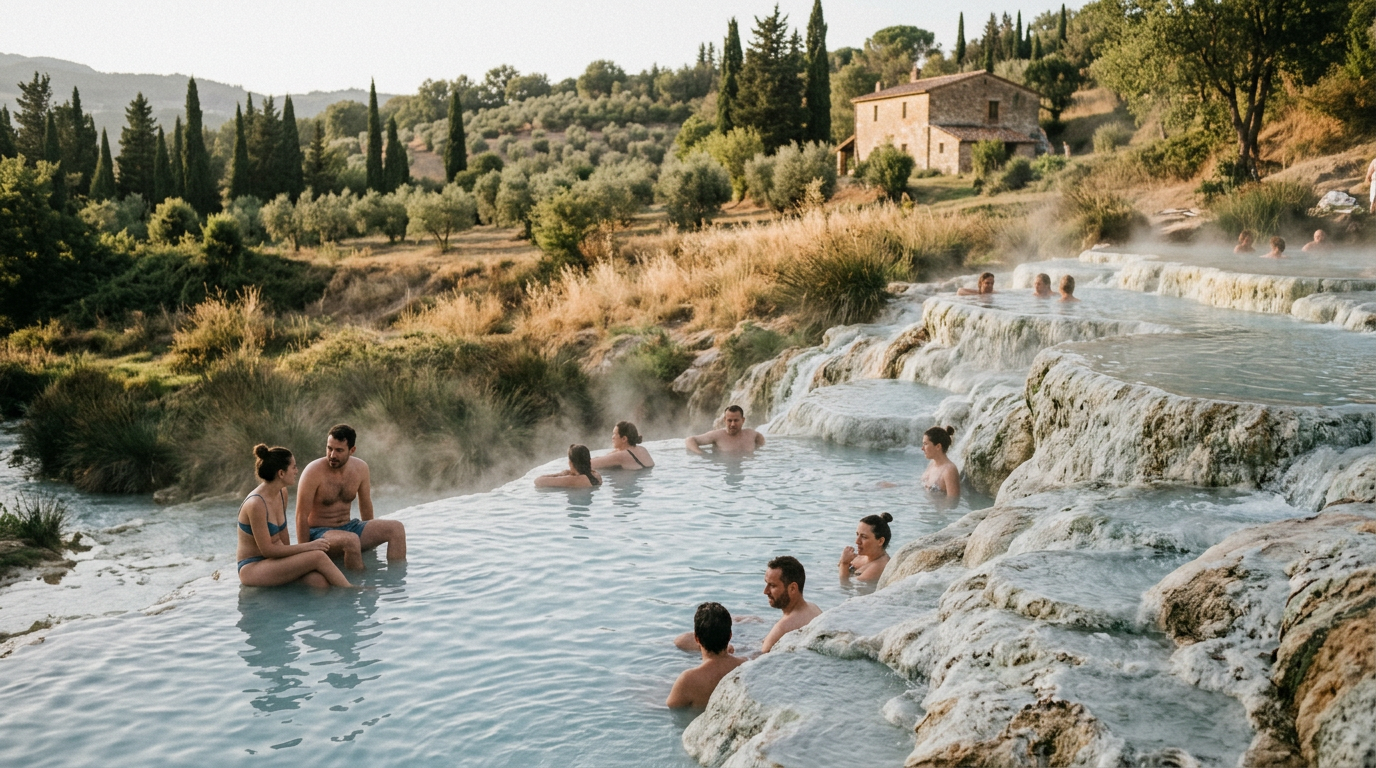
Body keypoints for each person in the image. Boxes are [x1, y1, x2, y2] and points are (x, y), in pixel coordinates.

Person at [237, 444, 354, 588]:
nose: (296, 471)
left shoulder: (281, 493)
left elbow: (283, 535)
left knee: (318, 582)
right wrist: (308, 546)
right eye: (293, 467)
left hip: (274, 562)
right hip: (253, 567)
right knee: (317, 556)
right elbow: (267, 550)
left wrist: (294, 562)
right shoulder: (256, 504)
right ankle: (352, 591)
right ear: (281, 473)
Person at [296, 424, 407, 570]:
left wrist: (371, 544)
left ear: (352, 450)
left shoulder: (361, 468)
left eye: (339, 450)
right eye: (329, 448)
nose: (332, 455)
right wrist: (305, 552)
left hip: (350, 527)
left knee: (396, 528)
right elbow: (300, 516)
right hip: (319, 533)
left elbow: (365, 504)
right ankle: (359, 589)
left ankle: (397, 582)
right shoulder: (313, 471)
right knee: (351, 540)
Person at [666, 602, 746, 709]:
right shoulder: (745, 665)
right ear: (730, 635)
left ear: (696, 639)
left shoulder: (688, 680)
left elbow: (672, 708)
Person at [760, 556, 822, 652]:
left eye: (772, 585)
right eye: (766, 584)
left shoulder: (782, 629)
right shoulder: (813, 608)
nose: (765, 591)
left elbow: (760, 659)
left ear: (792, 588)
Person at [685, 405, 765, 455]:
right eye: (729, 420)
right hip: (723, 467)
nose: (733, 424)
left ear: (743, 420)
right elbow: (690, 440)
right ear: (724, 420)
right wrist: (701, 454)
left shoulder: (752, 434)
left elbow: (762, 445)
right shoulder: (717, 435)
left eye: (736, 420)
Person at [840, 513, 893, 583]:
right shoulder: (861, 557)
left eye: (864, 537)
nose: (857, 541)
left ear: (880, 541)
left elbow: (845, 588)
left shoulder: (879, 567)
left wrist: (844, 564)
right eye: (857, 535)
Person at [920, 426, 961, 502]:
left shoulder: (949, 470)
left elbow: (953, 502)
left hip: (936, 511)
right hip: (927, 508)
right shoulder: (932, 464)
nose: (922, 448)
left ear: (938, 446)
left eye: (925, 444)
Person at [535, 444, 603, 488]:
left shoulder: (573, 480)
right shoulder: (596, 475)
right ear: (588, 460)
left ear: (571, 463)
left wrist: (560, 474)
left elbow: (538, 481)